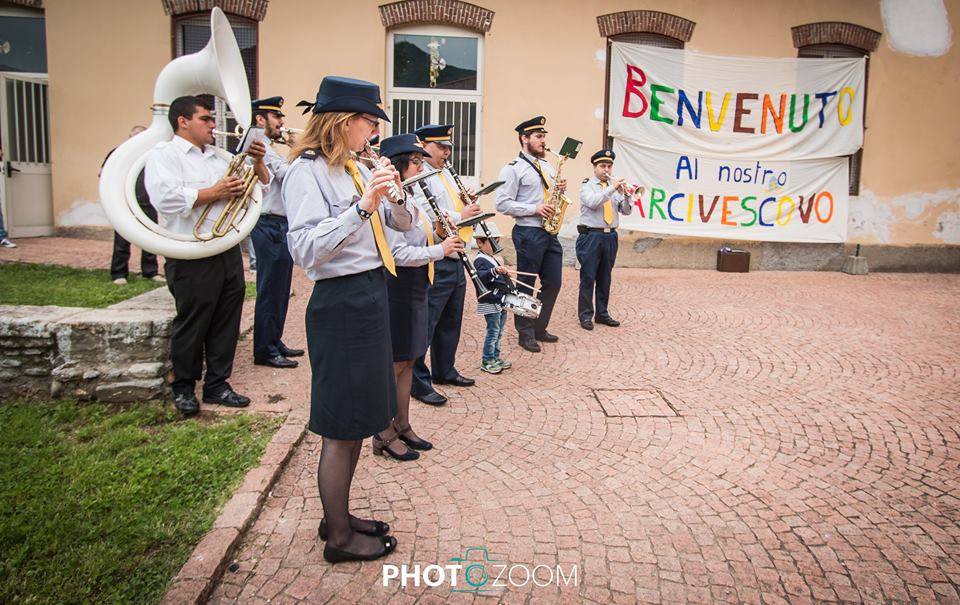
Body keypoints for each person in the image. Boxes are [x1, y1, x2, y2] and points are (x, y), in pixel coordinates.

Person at [283, 76, 413, 563]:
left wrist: (394, 196)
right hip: (340, 301)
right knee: (341, 424)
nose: (374, 130)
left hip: (371, 292)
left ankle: (336, 513)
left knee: (360, 417)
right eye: (368, 121)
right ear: (341, 122)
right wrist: (363, 207)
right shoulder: (306, 172)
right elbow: (305, 249)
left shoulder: (359, 166)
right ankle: (338, 537)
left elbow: (404, 226)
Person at [144, 95, 266, 415]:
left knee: (227, 319)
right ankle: (183, 387)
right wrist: (216, 192)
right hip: (189, 253)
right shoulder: (164, 155)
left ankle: (217, 384)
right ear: (183, 121)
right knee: (193, 321)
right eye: (206, 119)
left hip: (224, 248)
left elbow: (256, 189)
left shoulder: (219, 157)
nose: (214, 124)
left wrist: (255, 163)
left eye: (213, 119)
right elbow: (165, 199)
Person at [375, 133, 464, 460]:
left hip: (417, 283)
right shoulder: (389, 199)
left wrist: (441, 234)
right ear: (398, 165)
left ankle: (403, 425)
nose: (420, 166)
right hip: (398, 285)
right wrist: (439, 250)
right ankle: (383, 431)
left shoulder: (410, 195)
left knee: (411, 358)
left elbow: (422, 232)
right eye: (414, 162)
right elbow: (397, 252)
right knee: (396, 363)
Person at [409, 124, 481, 407]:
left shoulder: (447, 173)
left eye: (448, 147)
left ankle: (444, 369)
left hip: (457, 253)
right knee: (427, 323)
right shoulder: (417, 176)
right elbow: (425, 213)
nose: (447, 152)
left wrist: (467, 202)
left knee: (451, 320)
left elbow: (451, 205)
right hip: (436, 255)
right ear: (424, 146)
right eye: (441, 147)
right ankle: (418, 382)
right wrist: (460, 214)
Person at [495, 116, 566, 353]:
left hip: (549, 231)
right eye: (538, 136)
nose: (543, 141)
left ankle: (538, 327)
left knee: (554, 282)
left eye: (544, 136)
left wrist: (559, 190)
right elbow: (502, 204)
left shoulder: (547, 166)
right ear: (524, 138)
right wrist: (533, 208)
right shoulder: (513, 169)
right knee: (526, 283)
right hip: (527, 231)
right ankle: (524, 333)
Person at [248, 96, 304, 369]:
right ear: (261, 119)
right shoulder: (259, 147)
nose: (282, 122)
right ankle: (264, 348)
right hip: (268, 223)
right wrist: (299, 149)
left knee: (281, 288)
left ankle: (274, 339)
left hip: (280, 224)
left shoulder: (270, 147)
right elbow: (287, 176)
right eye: (277, 117)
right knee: (270, 288)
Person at [576, 149, 639, 330]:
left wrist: (627, 196)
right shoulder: (587, 185)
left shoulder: (615, 189)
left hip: (610, 236)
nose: (607, 170)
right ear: (595, 167)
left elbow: (625, 211)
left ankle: (602, 314)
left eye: (609, 166)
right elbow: (593, 202)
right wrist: (613, 188)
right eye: (602, 166)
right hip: (591, 236)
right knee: (588, 276)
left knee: (605, 277)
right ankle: (586, 315)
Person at [102, 126, 161, 283]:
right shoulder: (118, 153)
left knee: (150, 239)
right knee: (122, 240)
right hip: (125, 204)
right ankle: (119, 274)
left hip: (148, 203)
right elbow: (104, 175)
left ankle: (150, 272)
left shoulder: (151, 154)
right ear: (130, 138)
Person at [472, 222, 514, 374]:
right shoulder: (480, 260)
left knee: (499, 330)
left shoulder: (491, 257)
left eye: (497, 241)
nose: (496, 245)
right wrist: (495, 270)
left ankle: (495, 357)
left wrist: (504, 274)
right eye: (492, 241)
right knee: (493, 330)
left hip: (499, 299)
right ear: (479, 242)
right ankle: (487, 359)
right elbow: (481, 277)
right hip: (489, 300)